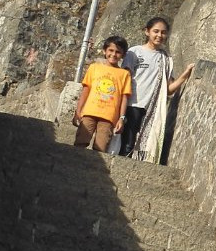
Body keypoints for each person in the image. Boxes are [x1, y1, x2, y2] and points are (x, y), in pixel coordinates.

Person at [122, 16, 194, 163]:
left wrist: (184, 75)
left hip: (153, 110)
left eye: (163, 32)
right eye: (156, 31)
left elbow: (168, 90)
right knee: (127, 144)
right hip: (133, 104)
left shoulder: (166, 59)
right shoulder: (134, 52)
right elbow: (124, 79)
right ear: (147, 32)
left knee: (145, 147)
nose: (159, 35)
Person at [72, 36, 132, 153]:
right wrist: (78, 111)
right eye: (111, 50)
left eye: (118, 52)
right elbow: (86, 90)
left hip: (109, 117)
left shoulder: (124, 74)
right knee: (81, 141)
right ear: (105, 51)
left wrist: (121, 118)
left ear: (123, 55)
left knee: (101, 147)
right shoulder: (94, 68)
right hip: (89, 112)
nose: (114, 54)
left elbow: (124, 98)